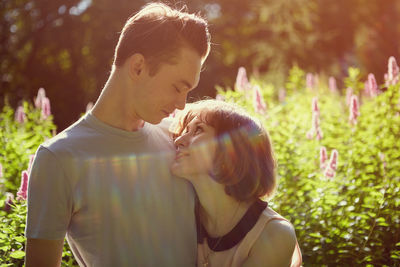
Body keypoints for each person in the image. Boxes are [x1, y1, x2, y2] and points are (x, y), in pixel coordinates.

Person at [25, 3, 210, 266]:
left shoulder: (178, 139)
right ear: (137, 67)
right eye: (177, 87)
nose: (182, 104)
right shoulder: (58, 159)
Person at [171, 99, 302, 267]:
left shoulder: (273, 234)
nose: (178, 141)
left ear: (232, 152)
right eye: (185, 130)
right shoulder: (183, 215)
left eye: (198, 130)